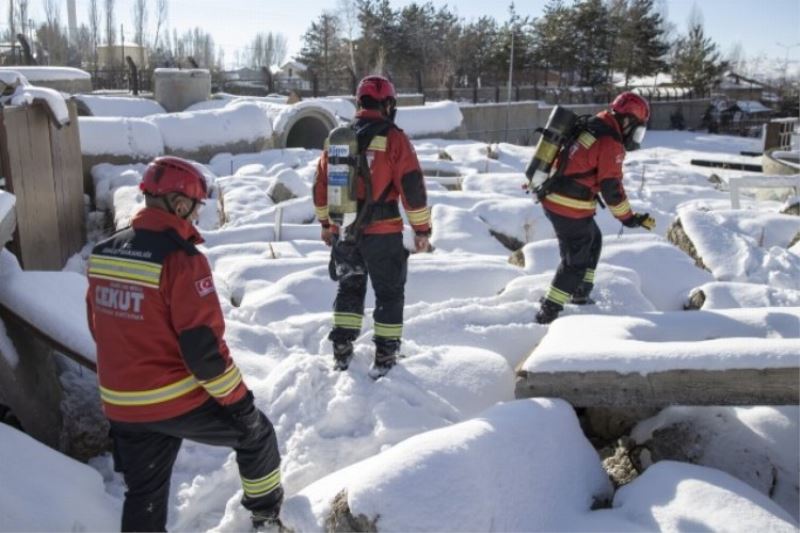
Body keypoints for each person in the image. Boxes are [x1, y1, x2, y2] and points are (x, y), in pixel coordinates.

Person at [86, 156, 283, 531]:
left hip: (120, 403)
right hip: (170, 400)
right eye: (194, 207)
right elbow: (204, 353)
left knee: (144, 496)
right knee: (257, 435)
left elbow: (100, 328)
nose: (195, 216)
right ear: (178, 204)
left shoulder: (104, 252)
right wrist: (240, 404)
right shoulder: (181, 260)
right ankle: (266, 519)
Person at [313, 75, 432, 377]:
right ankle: (385, 355)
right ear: (388, 104)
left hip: (346, 233)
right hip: (384, 234)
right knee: (389, 294)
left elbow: (320, 185)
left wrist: (327, 225)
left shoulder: (337, 139)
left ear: (359, 103)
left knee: (350, 288)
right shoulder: (394, 138)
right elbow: (412, 189)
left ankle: (341, 350)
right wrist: (421, 230)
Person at [535, 91, 655, 325]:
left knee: (594, 238)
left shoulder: (596, 123)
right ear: (627, 121)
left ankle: (581, 291)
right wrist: (629, 219)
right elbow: (612, 190)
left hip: (557, 195)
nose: (635, 136)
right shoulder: (611, 142)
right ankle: (548, 311)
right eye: (637, 128)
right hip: (569, 205)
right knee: (576, 261)